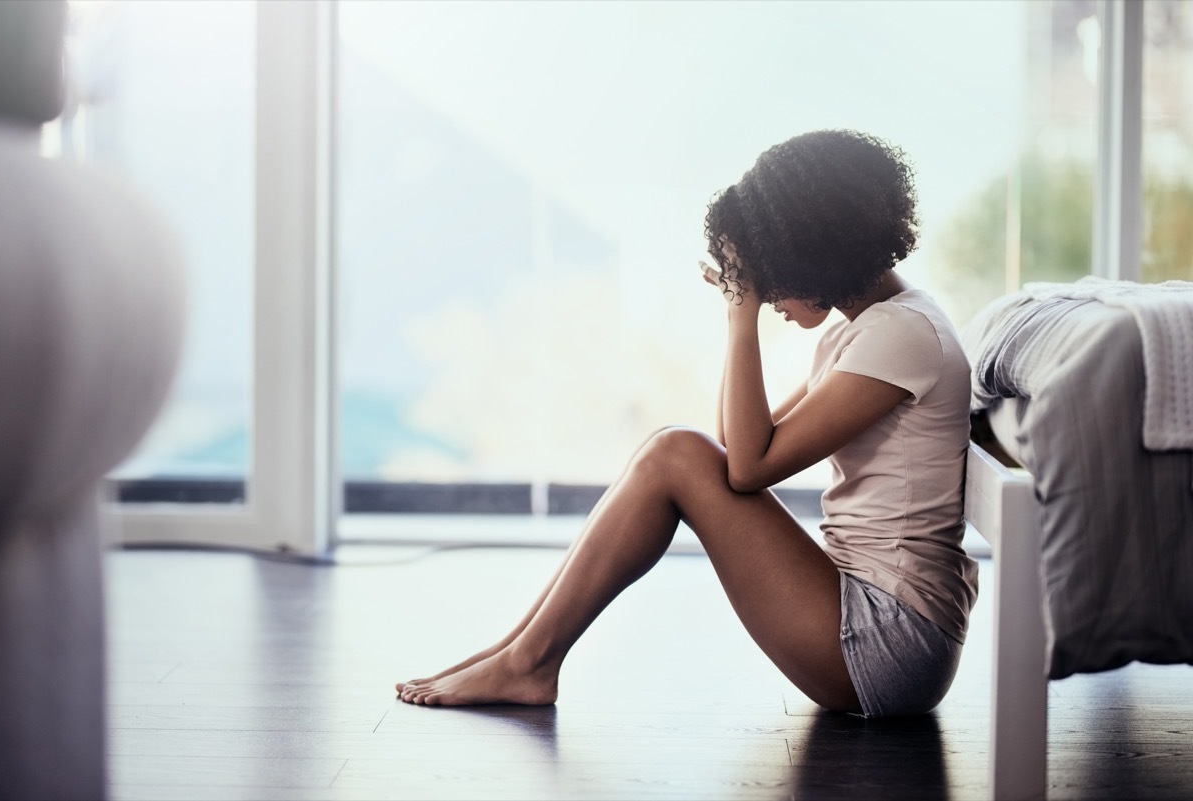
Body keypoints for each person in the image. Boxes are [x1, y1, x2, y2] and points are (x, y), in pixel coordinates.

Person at [396, 129, 979, 718]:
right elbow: (736, 445)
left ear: (814, 252)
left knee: (675, 452)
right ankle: (517, 653)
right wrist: (741, 308)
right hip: (875, 621)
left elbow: (747, 468)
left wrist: (739, 315)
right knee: (673, 449)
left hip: (889, 640)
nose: (769, 292)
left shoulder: (898, 336)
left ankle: (527, 662)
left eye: (771, 271)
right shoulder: (873, 331)